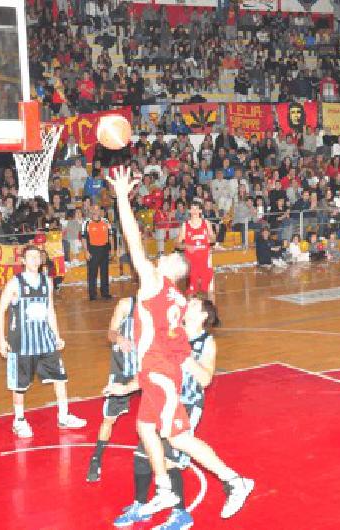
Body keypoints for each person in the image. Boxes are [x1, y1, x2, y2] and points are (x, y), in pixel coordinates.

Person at [107, 166, 253, 521]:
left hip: (160, 375)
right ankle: (166, 488)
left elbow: (132, 241)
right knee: (144, 428)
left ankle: (234, 481)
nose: (165, 254)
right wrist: (133, 380)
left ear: (174, 270)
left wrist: (123, 199)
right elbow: (177, 344)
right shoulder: (175, 298)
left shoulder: (157, 285)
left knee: (180, 440)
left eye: (171, 256)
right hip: (157, 371)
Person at [113, 297, 219, 529]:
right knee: (143, 455)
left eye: (192, 305)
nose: (186, 305)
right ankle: (140, 506)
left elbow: (205, 379)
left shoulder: (205, 342)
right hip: (160, 402)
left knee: (169, 459)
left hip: (187, 404)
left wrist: (184, 357)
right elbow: (152, 370)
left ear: (203, 316)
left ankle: (180, 514)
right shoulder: (172, 333)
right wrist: (126, 388)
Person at [0, 245, 87, 438]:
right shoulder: (15, 283)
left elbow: (50, 310)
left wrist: (57, 335)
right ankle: (19, 421)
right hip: (22, 342)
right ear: (23, 261)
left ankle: (63, 415)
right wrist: (1, 340)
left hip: (45, 340)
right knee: (19, 384)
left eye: (38, 256)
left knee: (60, 378)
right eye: (31, 257)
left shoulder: (47, 281)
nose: (35, 260)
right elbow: (0, 310)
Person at [86, 296, 139, 482]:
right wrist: (119, 338)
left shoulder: (160, 306)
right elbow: (110, 332)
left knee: (158, 416)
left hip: (147, 371)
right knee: (109, 418)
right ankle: (96, 458)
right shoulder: (127, 304)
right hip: (122, 370)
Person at [176, 201, 217, 304]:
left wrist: (210, 238)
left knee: (209, 292)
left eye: (196, 208)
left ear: (200, 210)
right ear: (189, 211)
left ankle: (211, 314)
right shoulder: (185, 225)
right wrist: (185, 245)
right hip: (192, 263)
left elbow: (213, 238)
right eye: (192, 208)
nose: (194, 211)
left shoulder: (206, 223)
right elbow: (176, 243)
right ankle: (190, 313)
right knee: (191, 292)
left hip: (205, 262)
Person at [83, 205, 113, 301]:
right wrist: (86, 251)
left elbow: (110, 237)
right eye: (94, 210)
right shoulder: (86, 223)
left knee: (105, 272)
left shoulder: (106, 221)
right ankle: (92, 294)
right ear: (91, 211)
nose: (96, 211)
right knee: (92, 273)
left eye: (97, 209)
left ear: (100, 211)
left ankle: (105, 293)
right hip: (93, 249)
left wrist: (112, 249)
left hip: (104, 249)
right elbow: (83, 238)